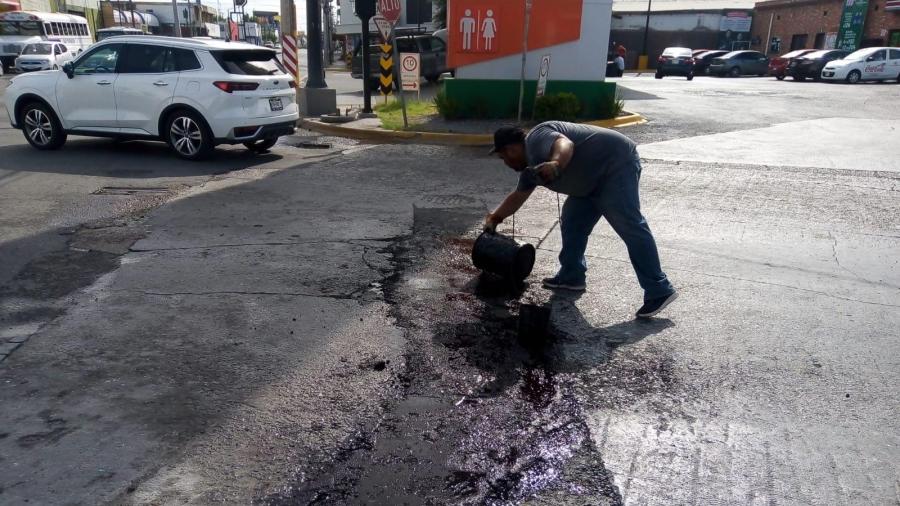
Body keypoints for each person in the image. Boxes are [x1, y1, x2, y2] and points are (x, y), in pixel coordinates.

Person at [485, 123, 678, 318]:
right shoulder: (530, 171)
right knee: (572, 222)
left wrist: (556, 163)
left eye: (503, 157)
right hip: (589, 182)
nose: (505, 163)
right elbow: (518, 196)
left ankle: (659, 290)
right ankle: (572, 276)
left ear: (512, 149)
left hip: (615, 165)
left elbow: (565, 144)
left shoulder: (536, 138)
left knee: (629, 225)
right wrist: (495, 218)